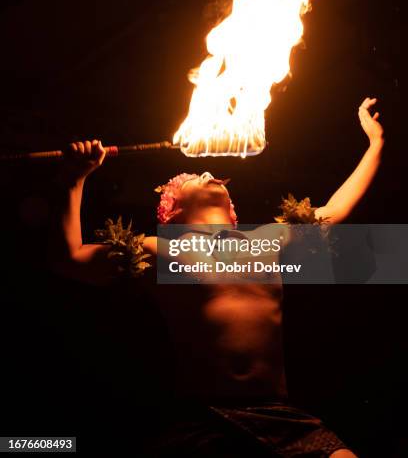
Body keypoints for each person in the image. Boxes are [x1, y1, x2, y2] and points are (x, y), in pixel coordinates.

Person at [51, 97, 384, 457]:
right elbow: (71, 258)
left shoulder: (268, 239)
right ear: (172, 209)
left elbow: (334, 211)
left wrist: (376, 143)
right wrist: (76, 179)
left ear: (232, 209)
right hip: (202, 419)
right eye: (194, 176)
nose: (208, 173)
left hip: (280, 416)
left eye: (212, 177)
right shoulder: (161, 249)